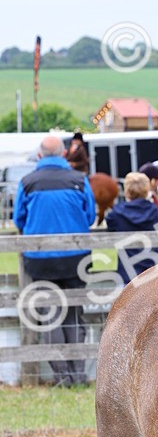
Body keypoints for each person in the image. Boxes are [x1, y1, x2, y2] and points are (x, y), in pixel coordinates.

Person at [14, 134, 97, 386]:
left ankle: (62, 377)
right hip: (76, 259)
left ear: (40, 155)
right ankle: (79, 374)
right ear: (63, 154)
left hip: (40, 260)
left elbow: (19, 219)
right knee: (74, 314)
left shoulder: (27, 182)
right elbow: (90, 216)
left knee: (50, 316)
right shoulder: (79, 180)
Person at [106, 171, 158, 285]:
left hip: (127, 274)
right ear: (147, 191)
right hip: (153, 272)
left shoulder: (116, 215)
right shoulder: (157, 213)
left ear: (127, 191)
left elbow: (110, 226)